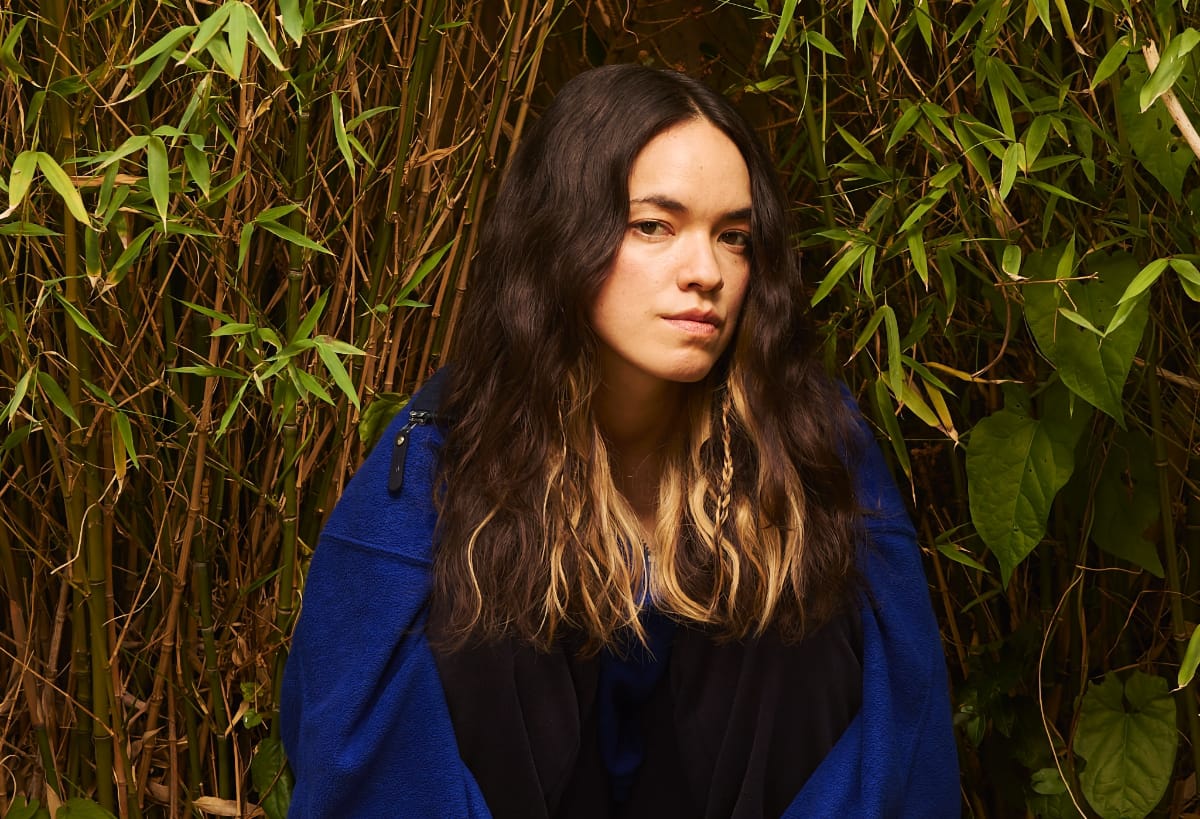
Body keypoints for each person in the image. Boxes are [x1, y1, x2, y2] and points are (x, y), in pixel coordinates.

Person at [280, 64, 960, 818]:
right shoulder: (453, 441)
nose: (705, 272)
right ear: (565, 232)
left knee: (800, 606)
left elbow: (906, 725)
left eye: (734, 238)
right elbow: (351, 725)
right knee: (472, 617)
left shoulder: (812, 438)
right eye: (653, 226)